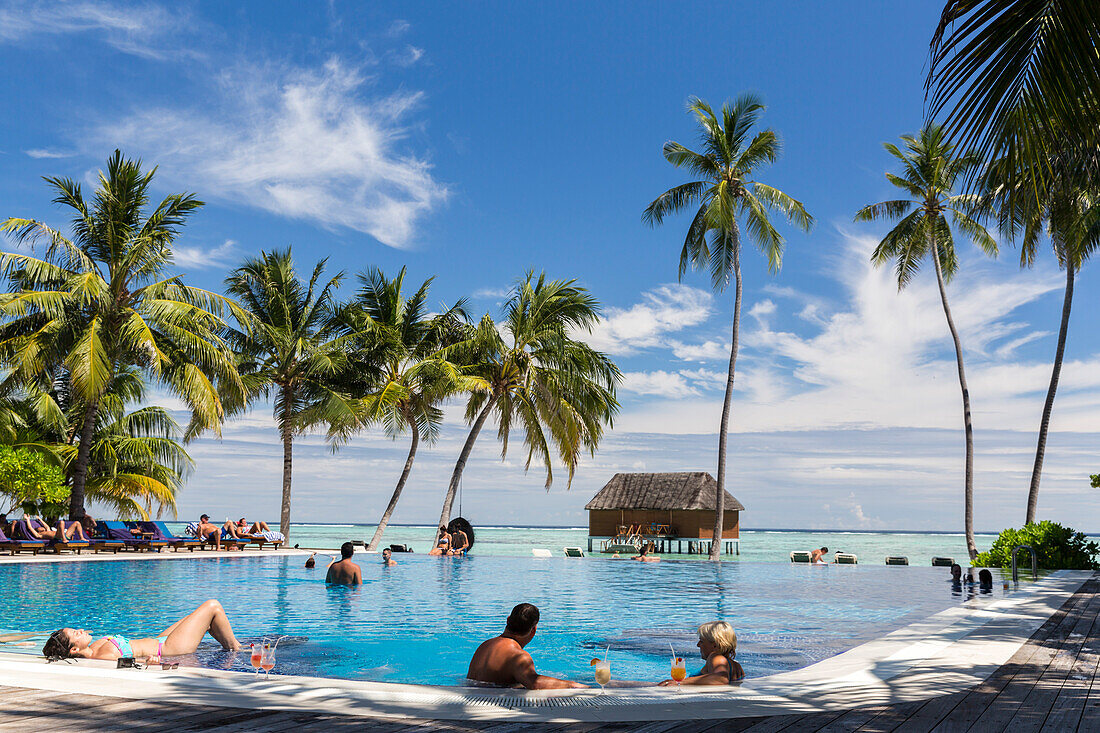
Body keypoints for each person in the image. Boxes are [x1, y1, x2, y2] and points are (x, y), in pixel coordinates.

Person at [42, 600, 241, 662]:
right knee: (212, 606)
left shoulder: (96, 647)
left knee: (197, 619)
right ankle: (236, 650)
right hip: (168, 649)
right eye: (76, 634)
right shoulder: (103, 656)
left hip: (160, 639)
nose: (81, 630)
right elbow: (131, 663)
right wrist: (151, 661)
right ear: (74, 650)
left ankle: (230, 647)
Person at [467, 603, 586, 689]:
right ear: (534, 630)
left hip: (470, 699)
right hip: (491, 708)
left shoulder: (485, 645)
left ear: (508, 620)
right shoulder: (518, 656)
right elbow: (534, 683)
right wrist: (572, 684)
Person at [658, 621, 745, 686]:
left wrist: (680, 682)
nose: (698, 645)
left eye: (702, 641)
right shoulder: (736, 665)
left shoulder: (715, 657)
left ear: (715, 645)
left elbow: (721, 679)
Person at [21, 516, 89, 542]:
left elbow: (46, 526)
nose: (41, 527)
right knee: (61, 522)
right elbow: (30, 527)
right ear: (37, 530)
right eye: (39, 527)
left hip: (65, 534)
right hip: (58, 536)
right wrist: (27, 519)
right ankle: (64, 539)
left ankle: (81, 538)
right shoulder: (39, 535)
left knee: (77, 523)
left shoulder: (47, 530)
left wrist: (40, 519)